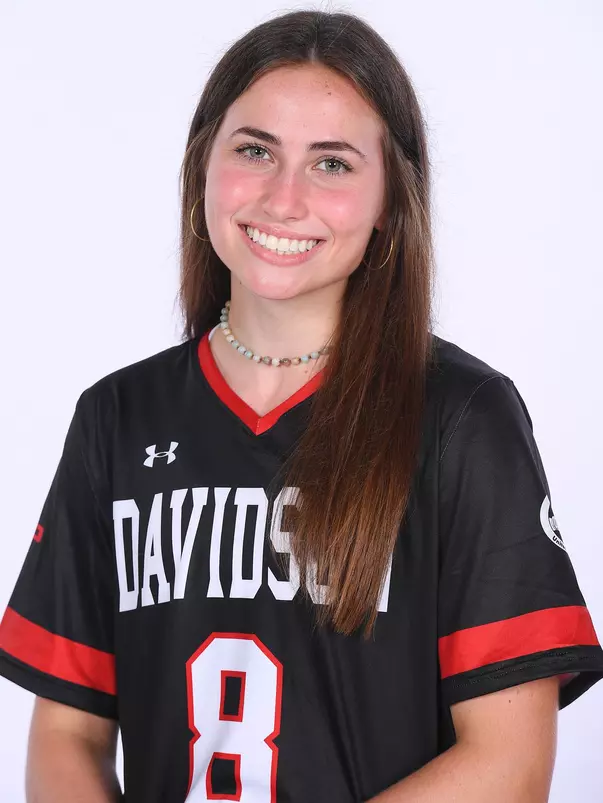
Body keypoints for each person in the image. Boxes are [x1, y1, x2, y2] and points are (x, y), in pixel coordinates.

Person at [1, 8, 602, 803]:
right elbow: (65, 736)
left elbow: (509, 765)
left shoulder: (462, 417)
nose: (284, 198)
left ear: (390, 199)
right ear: (203, 165)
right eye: (255, 150)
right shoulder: (117, 417)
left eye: (332, 163)